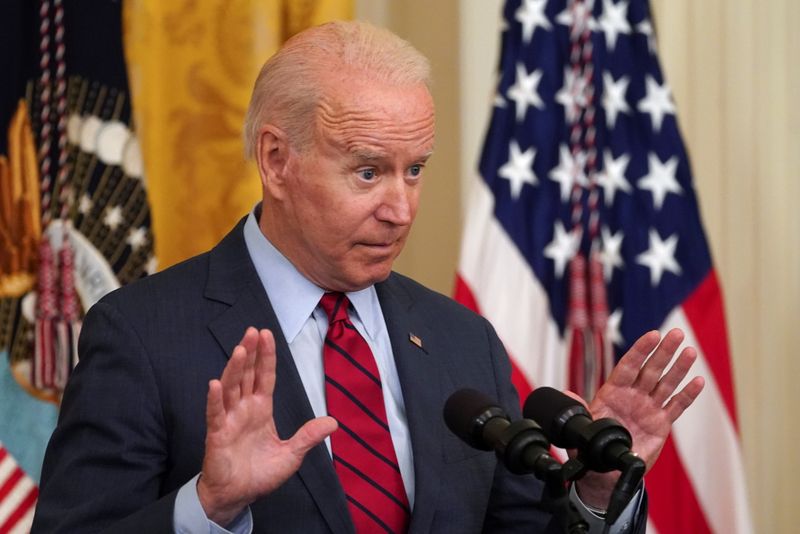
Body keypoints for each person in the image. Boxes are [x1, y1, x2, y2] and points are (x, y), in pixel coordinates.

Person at [31, 21, 704, 533]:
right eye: (368, 171)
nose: (400, 207)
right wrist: (209, 506)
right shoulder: (144, 335)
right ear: (276, 160)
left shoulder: (461, 340)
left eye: (415, 170)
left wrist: (595, 489)